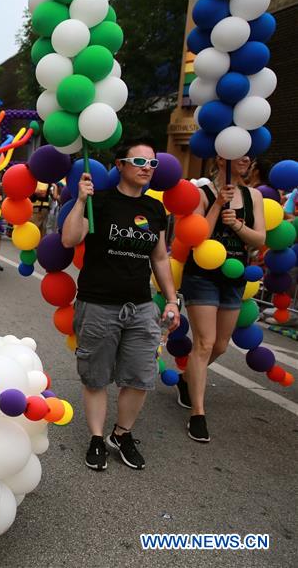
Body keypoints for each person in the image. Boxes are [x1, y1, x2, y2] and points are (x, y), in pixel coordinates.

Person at [62, 139, 180, 471]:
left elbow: (159, 256)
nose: (146, 168)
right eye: (139, 162)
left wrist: (171, 299)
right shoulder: (99, 201)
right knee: (96, 377)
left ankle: (121, 434)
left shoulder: (156, 210)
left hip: (141, 306)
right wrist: (80, 200)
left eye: (152, 164)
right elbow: (70, 239)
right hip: (98, 303)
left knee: (140, 375)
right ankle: (97, 438)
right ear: (120, 165)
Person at [178, 155, 266, 442]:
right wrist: (217, 204)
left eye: (249, 156)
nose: (246, 160)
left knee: (220, 345)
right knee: (203, 343)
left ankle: (186, 379)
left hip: (234, 277)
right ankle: (198, 414)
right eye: (239, 154)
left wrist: (239, 226)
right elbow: (196, 235)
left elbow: (259, 239)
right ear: (221, 157)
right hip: (202, 276)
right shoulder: (202, 193)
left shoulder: (253, 196)